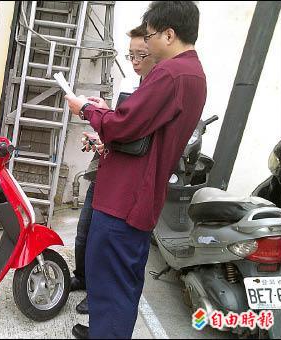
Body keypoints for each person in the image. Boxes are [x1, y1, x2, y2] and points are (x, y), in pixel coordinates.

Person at [65, 2, 206, 338]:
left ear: (169, 35)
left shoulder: (170, 73)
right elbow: (142, 129)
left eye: (152, 35)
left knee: (111, 282)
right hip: (138, 198)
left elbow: (125, 127)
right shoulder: (192, 74)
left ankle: (106, 332)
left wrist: (87, 110)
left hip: (123, 201)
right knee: (120, 282)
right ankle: (104, 329)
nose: (148, 42)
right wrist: (107, 114)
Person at [70, 22, 156, 316]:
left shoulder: (157, 91)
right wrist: (102, 128)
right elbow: (122, 128)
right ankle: (82, 278)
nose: (134, 62)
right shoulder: (133, 85)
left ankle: (97, 296)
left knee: (104, 243)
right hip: (106, 167)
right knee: (85, 233)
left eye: (140, 55)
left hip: (123, 185)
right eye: (130, 55)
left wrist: (90, 112)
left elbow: (133, 137)